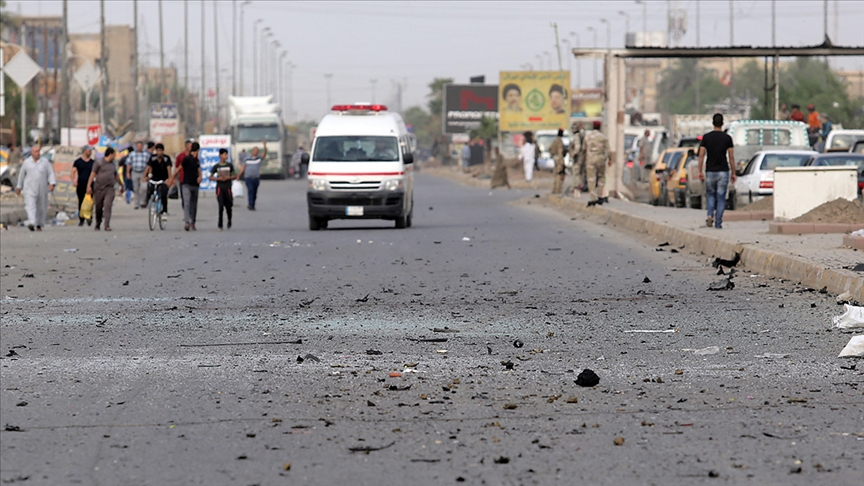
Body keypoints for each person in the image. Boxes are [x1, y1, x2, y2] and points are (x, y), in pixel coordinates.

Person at [697, 113, 736, 229]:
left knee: (710, 195)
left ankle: (709, 215)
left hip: (710, 171)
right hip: (723, 171)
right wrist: (733, 172)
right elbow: (731, 157)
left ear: (713, 123)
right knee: (721, 197)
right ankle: (718, 222)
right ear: (722, 123)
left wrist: (700, 170)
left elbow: (701, 155)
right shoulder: (727, 138)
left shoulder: (706, 137)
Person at [15, 145, 56, 231]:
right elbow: (21, 175)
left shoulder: (45, 162)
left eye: (39, 151)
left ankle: (39, 224)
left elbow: (50, 173)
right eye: (36, 151)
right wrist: (19, 186)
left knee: (41, 207)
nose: (38, 153)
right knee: (30, 205)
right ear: (31, 153)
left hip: (42, 188)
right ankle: (32, 222)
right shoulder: (26, 163)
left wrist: (52, 183)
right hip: (29, 188)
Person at [86, 147, 121, 231]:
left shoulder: (113, 164)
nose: (115, 156)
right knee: (99, 207)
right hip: (99, 188)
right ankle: (98, 223)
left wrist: (121, 185)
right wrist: (89, 186)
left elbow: (116, 176)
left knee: (107, 205)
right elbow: (92, 174)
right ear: (110, 154)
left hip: (109, 188)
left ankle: (107, 225)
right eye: (114, 154)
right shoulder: (99, 162)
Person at [584, 121, 611, 207]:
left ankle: (593, 197)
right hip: (600, 160)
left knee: (591, 179)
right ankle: (600, 195)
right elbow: (608, 150)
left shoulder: (587, 137)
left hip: (590, 160)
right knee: (601, 177)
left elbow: (584, 149)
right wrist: (609, 159)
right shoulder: (603, 137)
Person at [209, 148, 236, 230]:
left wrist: (229, 177)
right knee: (220, 206)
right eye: (224, 154)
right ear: (220, 155)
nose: (226, 156)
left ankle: (229, 219)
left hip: (227, 188)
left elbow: (235, 176)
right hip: (220, 188)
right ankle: (220, 224)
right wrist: (219, 179)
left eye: (226, 154)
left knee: (228, 206)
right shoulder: (216, 166)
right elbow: (210, 177)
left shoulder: (229, 166)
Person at [143, 143, 172, 216]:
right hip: (154, 178)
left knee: (163, 193)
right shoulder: (152, 158)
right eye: (157, 151)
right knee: (150, 189)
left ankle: (164, 209)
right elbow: (148, 167)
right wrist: (144, 176)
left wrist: (169, 179)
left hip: (163, 179)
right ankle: (146, 201)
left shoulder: (166, 158)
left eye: (160, 151)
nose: (159, 152)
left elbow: (169, 169)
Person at [179, 142, 202, 231]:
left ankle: (192, 222)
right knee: (187, 203)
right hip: (186, 184)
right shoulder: (186, 159)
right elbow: (179, 168)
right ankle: (187, 222)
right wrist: (172, 178)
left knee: (193, 204)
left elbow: (198, 169)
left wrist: (200, 177)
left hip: (195, 184)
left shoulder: (196, 160)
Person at [236, 141, 266, 210]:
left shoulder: (258, 159)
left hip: (256, 178)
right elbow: (243, 167)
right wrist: (239, 175)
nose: (255, 152)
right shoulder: (247, 159)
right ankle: (250, 204)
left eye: (257, 151)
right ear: (252, 151)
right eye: (254, 150)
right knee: (250, 190)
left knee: (254, 192)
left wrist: (264, 146)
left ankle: (253, 204)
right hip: (248, 177)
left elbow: (264, 154)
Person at [70, 145, 94, 226]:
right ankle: (81, 219)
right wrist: (73, 180)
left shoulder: (92, 162)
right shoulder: (78, 162)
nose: (90, 152)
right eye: (89, 150)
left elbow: (95, 173)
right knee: (81, 201)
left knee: (90, 201)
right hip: (81, 184)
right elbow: (73, 171)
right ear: (84, 151)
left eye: (91, 151)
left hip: (90, 184)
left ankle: (89, 216)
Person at [127, 141, 150, 208]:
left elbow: (149, 165)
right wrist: (128, 173)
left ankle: (142, 202)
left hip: (143, 173)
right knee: (136, 188)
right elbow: (128, 164)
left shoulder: (146, 155)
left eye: (140, 146)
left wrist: (148, 174)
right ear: (136, 147)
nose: (139, 147)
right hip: (134, 172)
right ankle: (136, 203)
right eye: (138, 146)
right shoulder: (132, 154)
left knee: (144, 188)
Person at [174, 139, 194, 209]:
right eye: (190, 145)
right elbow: (177, 167)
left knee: (192, 198)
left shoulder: (194, 156)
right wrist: (174, 178)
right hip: (182, 179)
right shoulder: (180, 156)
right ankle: (186, 213)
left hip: (192, 179)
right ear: (186, 146)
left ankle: (191, 213)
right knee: (185, 198)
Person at [571, 122, 587, 192]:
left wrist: (574, 154)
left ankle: (577, 186)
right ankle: (581, 185)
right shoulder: (582, 135)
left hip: (578, 158)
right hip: (582, 157)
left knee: (576, 172)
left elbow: (578, 147)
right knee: (581, 172)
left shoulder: (576, 136)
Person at [550, 128, 566, 195]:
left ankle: (554, 189)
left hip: (555, 158)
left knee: (555, 174)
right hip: (559, 159)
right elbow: (560, 152)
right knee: (559, 174)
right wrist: (562, 162)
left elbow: (550, 148)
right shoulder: (560, 142)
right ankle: (558, 189)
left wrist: (553, 155)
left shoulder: (555, 141)